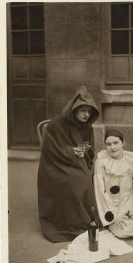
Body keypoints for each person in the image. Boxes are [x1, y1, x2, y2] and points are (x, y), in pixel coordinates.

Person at [37, 86, 100, 242]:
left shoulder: (87, 126)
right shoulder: (55, 124)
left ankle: (87, 219)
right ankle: (74, 224)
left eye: (89, 111)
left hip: (77, 162)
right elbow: (51, 149)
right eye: (83, 110)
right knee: (76, 181)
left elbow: (89, 145)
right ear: (74, 109)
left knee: (88, 177)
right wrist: (72, 151)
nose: (86, 115)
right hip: (56, 165)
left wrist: (85, 149)